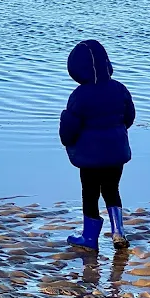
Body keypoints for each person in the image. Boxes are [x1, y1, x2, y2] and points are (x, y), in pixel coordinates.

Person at [59, 39, 135, 251]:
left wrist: (67, 140)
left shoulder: (79, 95)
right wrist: (117, 132)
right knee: (112, 189)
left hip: (89, 157)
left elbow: (69, 127)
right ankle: (118, 231)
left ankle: (89, 238)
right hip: (115, 153)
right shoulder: (119, 89)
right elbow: (129, 117)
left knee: (90, 193)